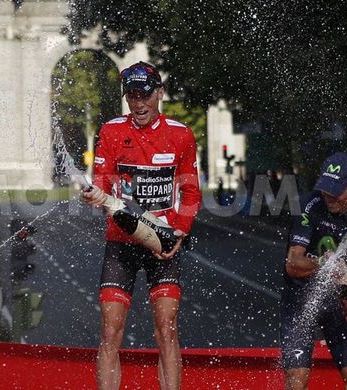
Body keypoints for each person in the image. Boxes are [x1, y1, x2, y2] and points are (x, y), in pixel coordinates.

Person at [81, 61, 201, 390]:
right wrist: (96, 195)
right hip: (121, 242)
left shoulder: (180, 135)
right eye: (131, 96)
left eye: (145, 95)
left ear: (159, 93)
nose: (138, 104)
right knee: (110, 330)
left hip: (163, 243)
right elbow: (102, 184)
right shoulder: (111, 131)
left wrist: (179, 230)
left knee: (167, 328)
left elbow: (191, 193)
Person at [280, 152, 347, 390]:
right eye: (324, 189)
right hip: (301, 302)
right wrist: (327, 266)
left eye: (334, 191)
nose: (327, 196)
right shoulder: (309, 205)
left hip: (338, 303)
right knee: (297, 383)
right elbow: (293, 264)